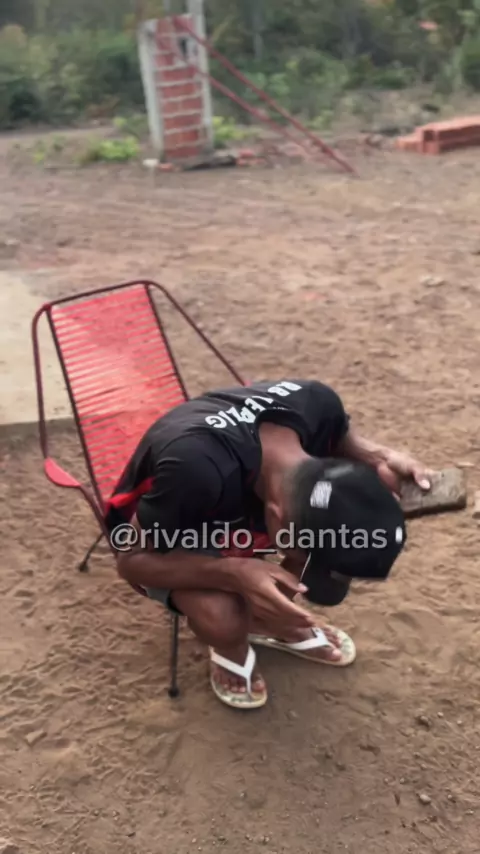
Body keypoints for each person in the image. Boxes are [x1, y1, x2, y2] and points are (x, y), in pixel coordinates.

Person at [105, 378, 431, 710]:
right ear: (274, 515)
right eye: (305, 553)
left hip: (231, 494)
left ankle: (265, 621)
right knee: (222, 617)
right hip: (168, 525)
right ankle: (232, 645)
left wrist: (380, 458)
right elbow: (130, 561)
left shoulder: (320, 406)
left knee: (308, 550)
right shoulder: (194, 471)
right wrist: (233, 571)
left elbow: (354, 447)